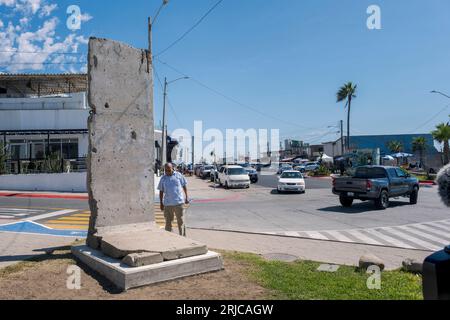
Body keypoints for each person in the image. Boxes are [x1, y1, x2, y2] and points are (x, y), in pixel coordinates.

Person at [158, 163, 190, 236]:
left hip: (179, 203)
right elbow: (161, 191)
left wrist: (187, 197)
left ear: (173, 168)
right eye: (166, 170)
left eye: (169, 170)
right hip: (168, 204)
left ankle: (182, 239)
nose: (167, 172)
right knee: (168, 223)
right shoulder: (163, 178)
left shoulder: (178, 175)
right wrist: (161, 203)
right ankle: (170, 238)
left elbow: (184, 185)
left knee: (181, 222)